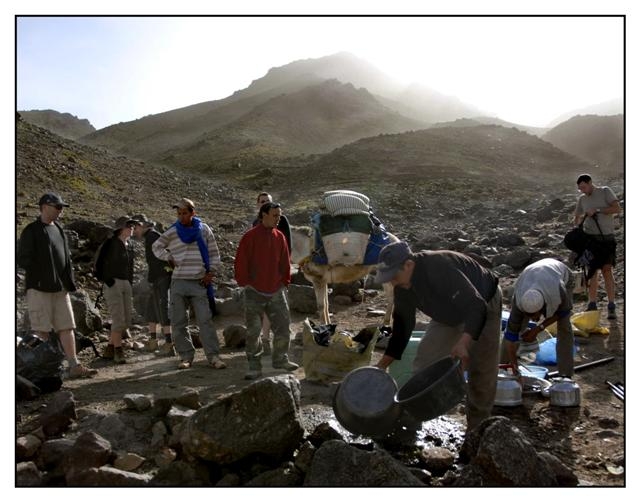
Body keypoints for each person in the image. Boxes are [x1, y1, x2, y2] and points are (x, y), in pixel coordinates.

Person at [375, 241, 501, 433]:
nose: (392, 281)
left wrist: (463, 342)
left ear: (408, 265)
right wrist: (381, 366)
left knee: (481, 371)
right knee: (424, 361)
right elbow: (402, 328)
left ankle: (476, 432)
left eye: (394, 275)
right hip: (446, 312)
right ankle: (412, 422)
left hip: (483, 303)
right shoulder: (402, 286)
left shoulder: (438, 266)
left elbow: (476, 306)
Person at [17, 193, 98, 378]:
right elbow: (22, 259)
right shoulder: (31, 230)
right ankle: (36, 369)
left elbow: (65, 260)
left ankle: (74, 365)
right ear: (45, 206)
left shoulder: (59, 229)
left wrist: (68, 282)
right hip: (39, 289)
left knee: (67, 327)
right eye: (58, 207)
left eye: (61, 207)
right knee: (41, 331)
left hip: (60, 289)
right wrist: (41, 274)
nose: (60, 211)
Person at [152, 198, 226, 370]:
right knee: (178, 322)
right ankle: (186, 357)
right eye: (179, 213)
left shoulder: (203, 229)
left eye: (185, 213)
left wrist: (211, 273)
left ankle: (213, 356)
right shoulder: (172, 231)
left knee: (205, 321)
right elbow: (156, 247)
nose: (181, 217)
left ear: (193, 213)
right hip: (178, 282)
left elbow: (214, 253)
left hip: (199, 282)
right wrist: (168, 257)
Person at [235, 201, 299, 380]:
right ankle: (254, 366)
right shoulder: (250, 237)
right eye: (275, 215)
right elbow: (241, 262)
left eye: (279, 215)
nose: (278, 219)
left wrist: (284, 282)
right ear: (263, 215)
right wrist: (245, 283)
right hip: (254, 291)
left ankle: (280, 359)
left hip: (276, 290)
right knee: (253, 331)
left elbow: (285, 262)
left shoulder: (280, 236)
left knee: (283, 327)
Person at [502, 258, 575, 377]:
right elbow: (510, 337)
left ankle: (565, 375)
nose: (531, 319)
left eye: (534, 315)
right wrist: (515, 369)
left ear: (544, 306)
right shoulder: (518, 300)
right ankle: (502, 368)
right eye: (527, 315)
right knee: (515, 329)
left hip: (562, 275)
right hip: (532, 275)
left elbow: (564, 312)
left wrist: (538, 329)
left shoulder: (557, 290)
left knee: (564, 327)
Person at [573, 173, 621, 319]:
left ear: (590, 182)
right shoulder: (582, 199)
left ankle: (611, 304)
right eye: (580, 188)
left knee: (607, 270)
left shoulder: (605, 191)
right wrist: (578, 221)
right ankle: (592, 304)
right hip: (590, 240)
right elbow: (576, 217)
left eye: (583, 187)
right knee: (591, 272)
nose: (582, 190)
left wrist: (598, 211)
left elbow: (617, 208)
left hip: (606, 238)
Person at [95, 216, 139, 364]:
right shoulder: (110, 243)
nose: (132, 228)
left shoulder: (130, 245)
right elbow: (99, 263)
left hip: (126, 283)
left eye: (133, 226)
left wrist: (130, 283)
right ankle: (118, 352)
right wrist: (108, 280)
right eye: (129, 226)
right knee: (118, 319)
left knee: (125, 320)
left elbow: (130, 267)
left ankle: (109, 348)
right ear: (120, 228)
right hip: (113, 283)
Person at [253, 192, 292, 355]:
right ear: (258, 205)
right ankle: (266, 340)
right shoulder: (256, 223)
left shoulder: (281, 221)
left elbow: (287, 246)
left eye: (267, 201)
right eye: (262, 202)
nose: (264, 203)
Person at [133, 219, 174, 356]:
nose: (135, 230)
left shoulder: (153, 236)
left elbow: (165, 255)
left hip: (161, 277)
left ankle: (169, 343)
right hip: (156, 277)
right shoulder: (150, 237)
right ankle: (153, 341)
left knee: (163, 307)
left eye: (137, 227)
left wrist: (167, 270)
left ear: (144, 226)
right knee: (152, 307)